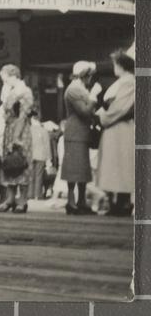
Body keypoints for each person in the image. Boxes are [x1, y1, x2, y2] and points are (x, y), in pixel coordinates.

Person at [96, 48, 135, 217]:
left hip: (120, 127)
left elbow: (120, 107)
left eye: (115, 64)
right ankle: (116, 201)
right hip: (115, 128)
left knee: (120, 165)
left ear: (121, 65)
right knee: (115, 164)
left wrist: (103, 116)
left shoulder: (128, 82)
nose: (113, 67)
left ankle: (122, 202)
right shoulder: (123, 81)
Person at [61, 60, 100, 216]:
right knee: (74, 168)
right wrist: (94, 97)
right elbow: (84, 111)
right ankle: (72, 202)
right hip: (75, 132)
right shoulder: (74, 89)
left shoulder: (79, 88)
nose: (91, 78)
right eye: (90, 75)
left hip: (80, 133)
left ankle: (80, 201)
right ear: (85, 75)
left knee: (82, 169)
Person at [0, 64, 34, 213]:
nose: (4, 83)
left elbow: (23, 116)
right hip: (10, 130)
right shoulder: (11, 91)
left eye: (5, 79)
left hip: (20, 131)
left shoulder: (24, 92)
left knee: (21, 164)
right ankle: (10, 199)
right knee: (10, 165)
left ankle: (22, 201)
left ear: (13, 76)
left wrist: (16, 137)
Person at [29, 113, 52, 201]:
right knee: (39, 175)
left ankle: (29, 194)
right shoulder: (44, 131)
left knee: (31, 175)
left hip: (30, 155)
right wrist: (49, 158)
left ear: (32, 119)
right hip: (41, 155)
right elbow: (47, 145)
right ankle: (38, 194)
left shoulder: (29, 130)